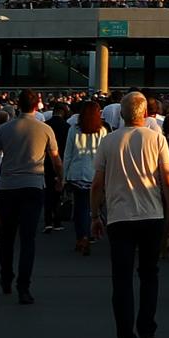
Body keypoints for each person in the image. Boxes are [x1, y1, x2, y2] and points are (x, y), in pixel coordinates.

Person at [92, 90, 169, 338]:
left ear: (122, 113)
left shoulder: (108, 141)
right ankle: (147, 329)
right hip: (151, 214)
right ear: (144, 113)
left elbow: (97, 184)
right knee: (149, 274)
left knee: (122, 280)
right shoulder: (157, 138)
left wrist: (95, 214)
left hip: (119, 216)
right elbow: (168, 180)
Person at [0, 89, 58, 303]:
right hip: (33, 185)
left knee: (7, 236)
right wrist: (60, 178)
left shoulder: (4, 129)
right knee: (28, 239)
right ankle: (24, 286)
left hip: (8, 186)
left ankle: (6, 276)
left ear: (17, 104)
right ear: (37, 105)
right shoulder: (45, 129)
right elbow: (56, 159)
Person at [62, 98, 107, 254]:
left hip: (76, 172)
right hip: (94, 174)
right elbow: (104, 156)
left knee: (79, 207)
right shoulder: (102, 131)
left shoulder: (74, 129)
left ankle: (81, 237)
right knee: (90, 207)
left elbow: (68, 154)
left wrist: (64, 176)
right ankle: (88, 235)